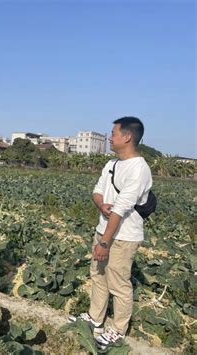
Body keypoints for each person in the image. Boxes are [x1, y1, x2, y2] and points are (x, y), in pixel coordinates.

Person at [69, 117, 153, 350]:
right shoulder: (111, 164)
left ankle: (117, 330)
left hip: (124, 237)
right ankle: (96, 318)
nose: (110, 137)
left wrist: (104, 244)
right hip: (103, 230)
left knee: (119, 283)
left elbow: (122, 207)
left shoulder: (139, 169)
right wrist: (100, 205)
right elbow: (97, 191)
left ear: (127, 137)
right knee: (98, 275)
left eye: (113, 133)